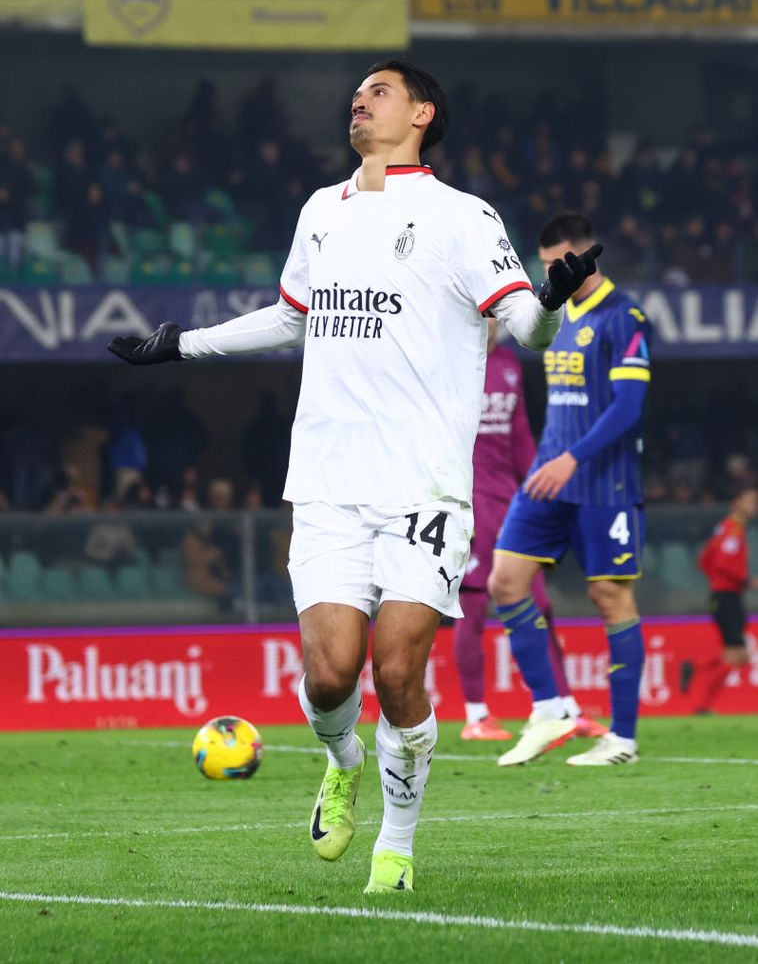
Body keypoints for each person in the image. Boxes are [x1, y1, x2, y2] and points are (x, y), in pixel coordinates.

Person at [108, 59, 601, 893]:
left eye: (380, 91)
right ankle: (341, 762)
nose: (361, 100)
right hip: (330, 479)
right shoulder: (320, 211)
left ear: (422, 112)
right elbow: (290, 317)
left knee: (398, 669)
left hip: (424, 486)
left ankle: (397, 848)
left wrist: (552, 298)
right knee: (332, 673)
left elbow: (522, 323)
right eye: (358, 92)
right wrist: (183, 343)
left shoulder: (462, 215)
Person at [489, 210, 651, 768]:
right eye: (546, 265)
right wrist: (554, 460)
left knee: (611, 598)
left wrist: (571, 458)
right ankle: (553, 707)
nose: (552, 274)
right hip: (547, 478)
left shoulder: (623, 317)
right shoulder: (556, 315)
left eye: (561, 264)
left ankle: (622, 739)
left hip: (603, 482)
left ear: (583, 255)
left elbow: (629, 407)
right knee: (505, 580)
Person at [455, 319, 607, 743]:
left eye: (493, 313)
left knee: (540, 603)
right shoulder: (446, 358)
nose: (488, 322)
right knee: (474, 603)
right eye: (480, 311)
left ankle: (563, 708)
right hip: (466, 502)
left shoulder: (508, 364)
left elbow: (520, 434)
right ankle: (475, 715)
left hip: (511, 501)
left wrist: (536, 491)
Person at [682, 488, 758, 713]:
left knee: (736, 654)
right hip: (727, 596)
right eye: (750, 501)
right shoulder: (733, 530)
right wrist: (745, 580)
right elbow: (724, 563)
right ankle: (703, 701)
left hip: (722, 594)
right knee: (737, 654)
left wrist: (717, 582)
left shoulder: (724, 528)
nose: (753, 507)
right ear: (736, 503)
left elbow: (705, 560)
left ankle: (697, 677)